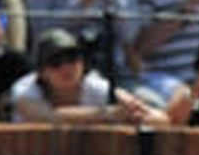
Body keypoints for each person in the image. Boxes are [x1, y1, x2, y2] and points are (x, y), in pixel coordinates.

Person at [9, 25, 163, 120]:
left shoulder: (97, 87)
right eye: (55, 61)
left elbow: (155, 119)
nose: (66, 67)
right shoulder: (24, 90)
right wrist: (107, 114)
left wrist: (128, 107)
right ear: (41, 72)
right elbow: (49, 117)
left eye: (72, 58)